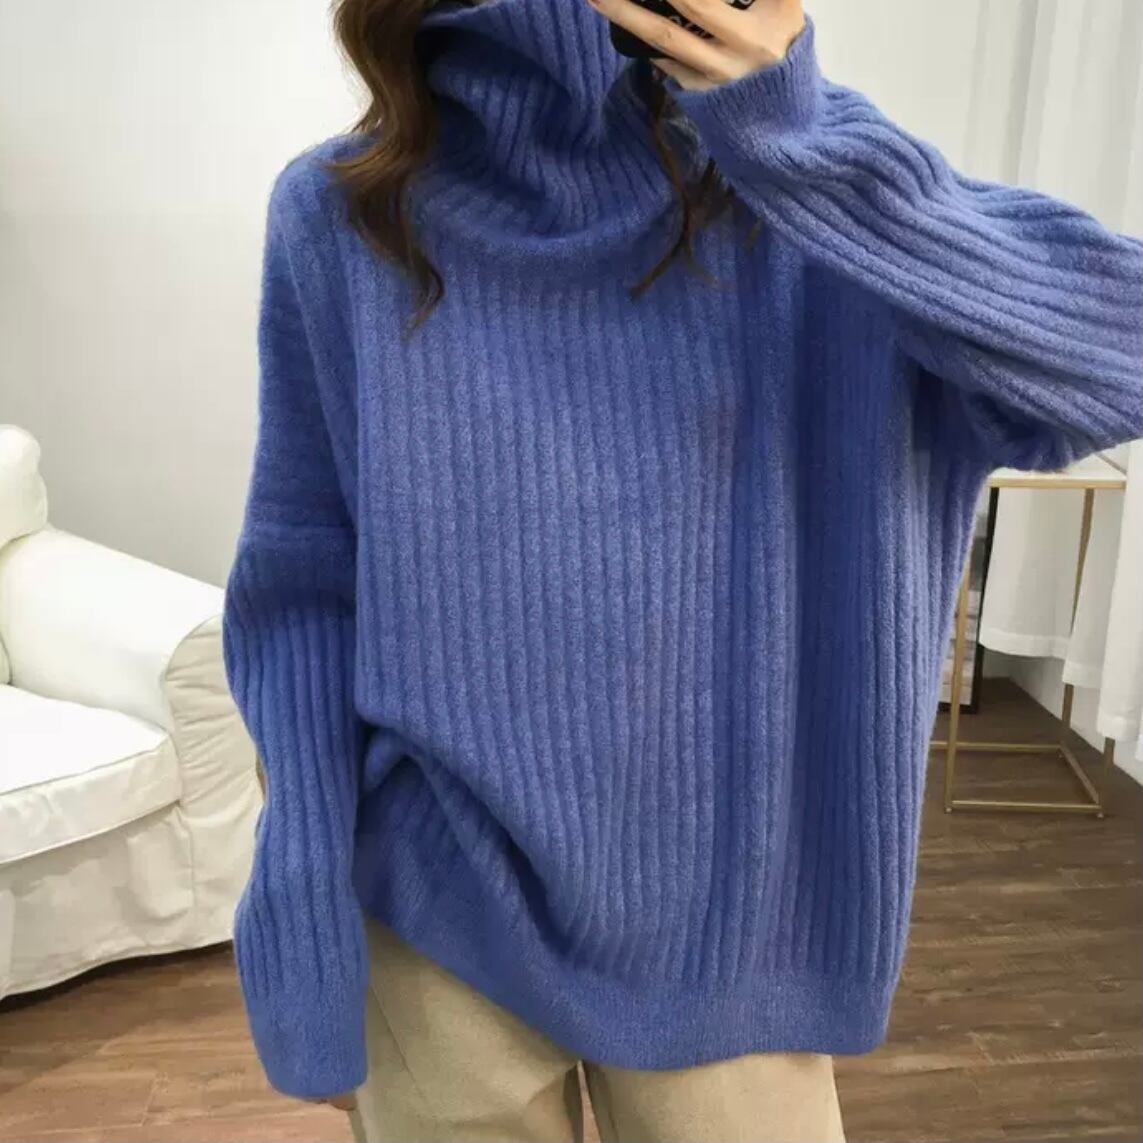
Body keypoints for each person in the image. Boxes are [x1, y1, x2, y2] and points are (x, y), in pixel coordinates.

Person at [220, 0, 1143, 1139]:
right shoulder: (341, 212)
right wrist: (300, 916)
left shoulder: (807, 197)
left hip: (742, 937)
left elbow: (1118, 353)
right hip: (435, 905)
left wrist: (798, 142)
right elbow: (304, 590)